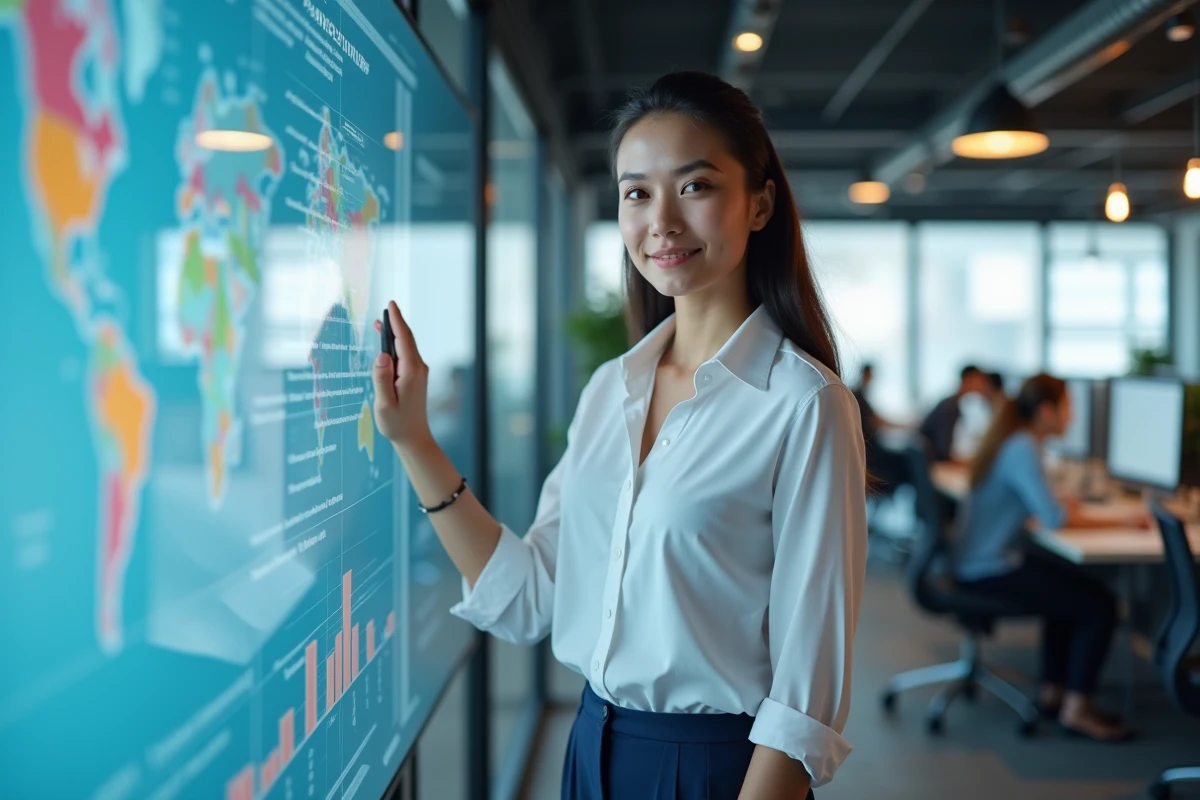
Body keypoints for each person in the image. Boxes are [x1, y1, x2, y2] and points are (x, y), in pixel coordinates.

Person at [371, 71, 867, 799]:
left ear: (759, 204)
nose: (661, 220)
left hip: (718, 771)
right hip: (592, 748)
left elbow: (805, 702)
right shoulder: (612, 388)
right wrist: (414, 441)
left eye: (694, 186)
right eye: (637, 193)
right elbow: (529, 596)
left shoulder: (803, 404)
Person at [954, 374, 1150, 743]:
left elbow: (1041, 508)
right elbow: (1054, 518)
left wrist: (1061, 505)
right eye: (1068, 408)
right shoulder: (1022, 446)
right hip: (989, 568)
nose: (1072, 417)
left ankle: (1054, 693)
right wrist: (1123, 521)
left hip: (980, 561)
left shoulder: (1014, 440)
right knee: (1099, 604)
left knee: (1071, 591)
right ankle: (1077, 709)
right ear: (1047, 411)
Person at [918, 364, 989, 463]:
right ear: (969, 380)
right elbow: (944, 450)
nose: (984, 386)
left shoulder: (955, 404)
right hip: (931, 463)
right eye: (981, 381)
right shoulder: (949, 407)